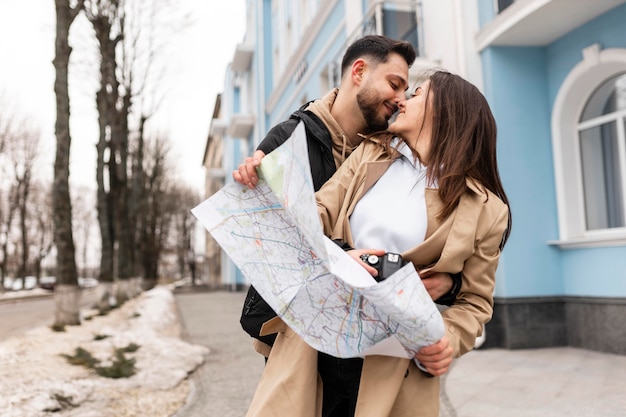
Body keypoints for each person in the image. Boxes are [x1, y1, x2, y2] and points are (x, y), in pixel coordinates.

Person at [246, 69, 511, 417]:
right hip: (315, 342)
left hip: (395, 364)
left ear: (445, 111)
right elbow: (316, 213)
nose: (404, 99)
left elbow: (474, 303)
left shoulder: (487, 209)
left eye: (416, 94)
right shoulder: (369, 154)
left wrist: (446, 340)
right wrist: (342, 256)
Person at [234, 36, 461, 358]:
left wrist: (450, 284)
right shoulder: (288, 139)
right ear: (358, 72)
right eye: (394, 84)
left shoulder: (393, 151)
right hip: (295, 328)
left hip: (372, 338)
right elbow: (266, 237)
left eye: (407, 91)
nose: (400, 99)